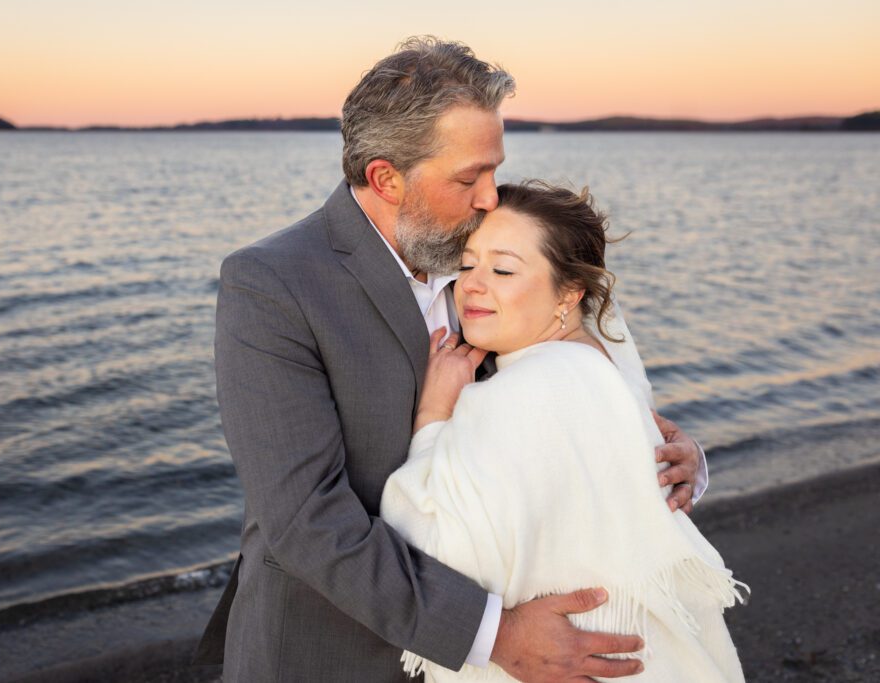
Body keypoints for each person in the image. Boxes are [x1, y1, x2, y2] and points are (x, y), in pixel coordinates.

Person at [196, 37, 708, 682]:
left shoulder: (498, 245)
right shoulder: (272, 283)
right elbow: (306, 519)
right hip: (333, 649)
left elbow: (580, 382)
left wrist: (667, 458)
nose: (492, 197)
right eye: (469, 177)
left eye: (494, 168)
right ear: (386, 177)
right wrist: (491, 635)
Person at [381, 181, 746, 682]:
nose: (470, 285)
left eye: (503, 269)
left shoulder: (523, 393)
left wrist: (433, 416)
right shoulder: (598, 364)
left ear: (569, 293)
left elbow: (429, 550)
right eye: (467, 265)